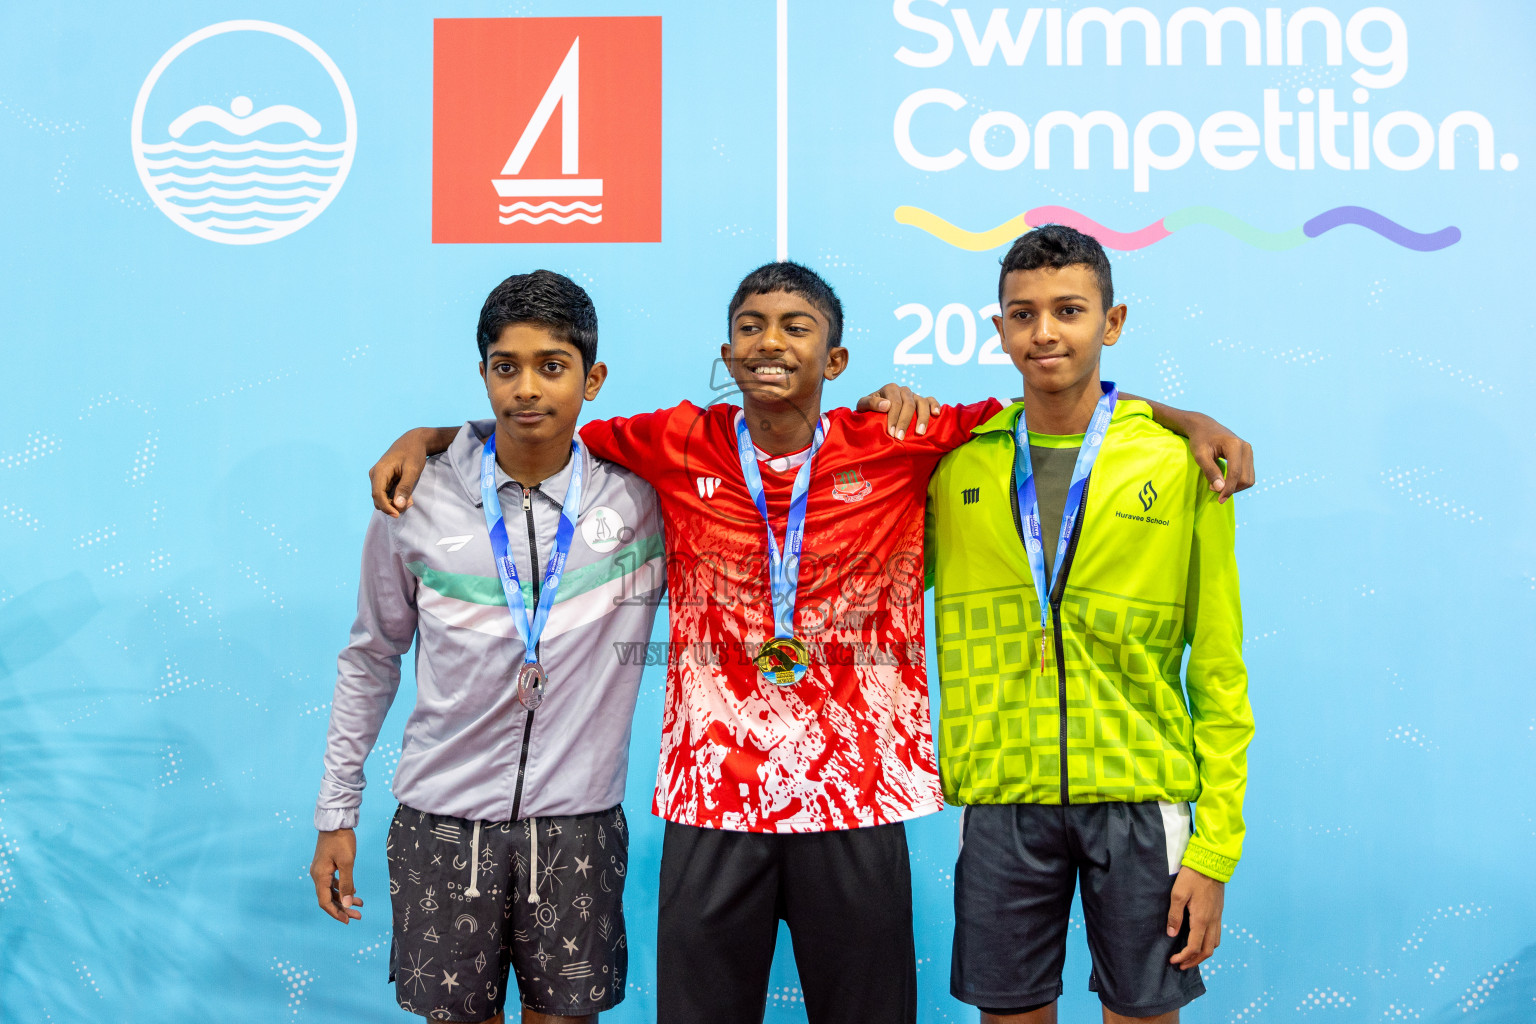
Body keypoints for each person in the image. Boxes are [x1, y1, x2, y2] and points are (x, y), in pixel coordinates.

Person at [368, 261, 1254, 1024]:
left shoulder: (900, 439)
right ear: (726, 356)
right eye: (749, 327)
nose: (770, 342)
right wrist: (434, 437)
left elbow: (1056, 395)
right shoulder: (676, 440)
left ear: (833, 359)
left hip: (857, 799)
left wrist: (1182, 419)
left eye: (796, 327)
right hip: (712, 796)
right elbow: (539, 426)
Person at [309, 270, 667, 1024]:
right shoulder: (414, 498)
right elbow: (372, 656)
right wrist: (336, 811)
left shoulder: (641, 502)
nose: (527, 389)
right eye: (506, 367)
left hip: (577, 827)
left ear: (592, 378)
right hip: (442, 825)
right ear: (482, 376)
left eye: (552, 366)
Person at [924, 225, 1255, 1024]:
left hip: (1141, 800)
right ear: (998, 328)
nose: (1045, 332)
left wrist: (1213, 851)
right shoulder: (956, 462)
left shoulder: (1179, 465)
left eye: (1069, 310)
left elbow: (1218, 665)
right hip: (1003, 797)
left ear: (1112, 323)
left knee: (1143, 1016)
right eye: (1022, 313)